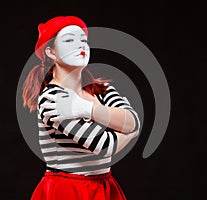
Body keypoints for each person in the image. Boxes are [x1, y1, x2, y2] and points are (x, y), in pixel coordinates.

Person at [22, 16, 140, 200]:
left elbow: (133, 119)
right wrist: (130, 132)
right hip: (67, 190)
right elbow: (105, 146)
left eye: (83, 40)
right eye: (69, 40)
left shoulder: (102, 90)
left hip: (104, 188)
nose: (81, 46)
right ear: (51, 52)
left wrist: (86, 108)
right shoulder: (52, 99)